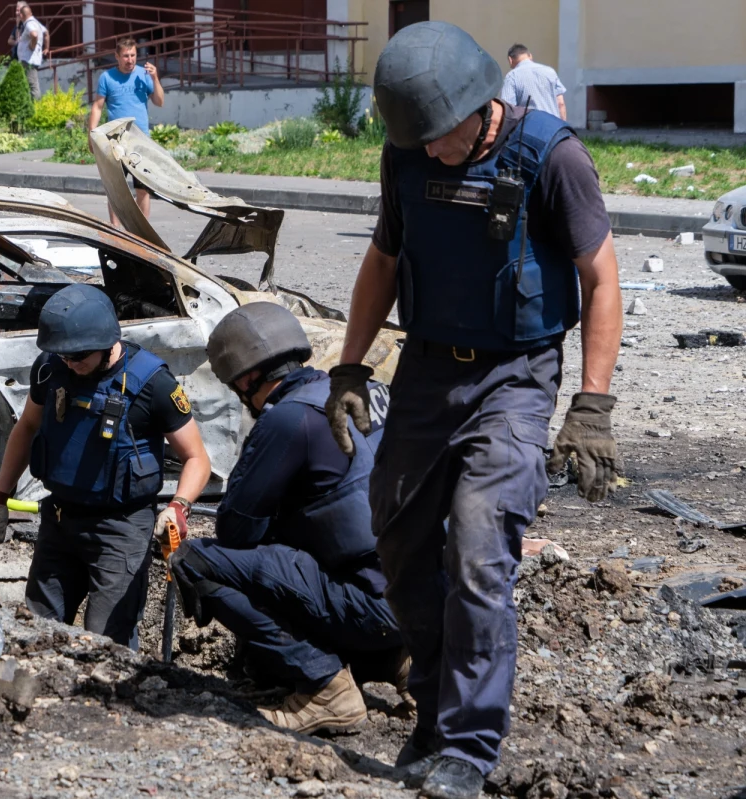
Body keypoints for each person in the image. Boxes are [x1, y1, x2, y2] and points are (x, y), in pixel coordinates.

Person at [325, 21, 622, 799]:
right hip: (426, 371)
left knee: (481, 543)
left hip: (516, 377)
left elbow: (601, 277)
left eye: (438, 136)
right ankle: (433, 705)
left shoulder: (552, 157)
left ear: (480, 104)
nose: (428, 151)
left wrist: (592, 405)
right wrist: (350, 364)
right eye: (414, 138)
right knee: (393, 532)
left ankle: (466, 740)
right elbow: (383, 259)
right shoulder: (409, 153)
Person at [168, 303, 409, 736]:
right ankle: (405, 661)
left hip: (377, 605)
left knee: (197, 561)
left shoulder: (288, 417)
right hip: (433, 595)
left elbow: (236, 530)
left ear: (245, 380)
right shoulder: (372, 393)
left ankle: (325, 688)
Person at [0, 284, 211, 650]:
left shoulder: (153, 384)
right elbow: (27, 428)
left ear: (108, 342)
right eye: (64, 355)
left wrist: (179, 506)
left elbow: (197, 458)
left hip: (121, 528)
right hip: (59, 520)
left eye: (80, 355)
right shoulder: (50, 369)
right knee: (36, 632)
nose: (71, 363)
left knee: (107, 643)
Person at [87, 37, 164, 225]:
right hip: (116, 141)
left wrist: (155, 78)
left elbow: (159, 101)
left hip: (140, 140)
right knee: (117, 190)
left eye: (133, 55)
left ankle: (142, 231)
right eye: (126, 56)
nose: (130, 60)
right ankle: (115, 230)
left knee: (142, 189)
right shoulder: (107, 78)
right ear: (117, 56)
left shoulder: (144, 75)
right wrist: (92, 134)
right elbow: (97, 107)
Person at [502, 43, 567, 120]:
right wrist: (563, 125)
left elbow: (508, 109)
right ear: (530, 56)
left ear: (510, 60)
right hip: (554, 126)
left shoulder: (512, 76)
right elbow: (561, 103)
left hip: (530, 127)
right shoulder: (550, 71)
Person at [16, 3, 46, 100]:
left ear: (21, 15)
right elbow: (46, 33)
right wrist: (47, 48)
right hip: (31, 59)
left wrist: (32, 46)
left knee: (33, 86)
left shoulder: (29, 24)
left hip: (28, 60)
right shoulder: (36, 22)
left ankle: (36, 110)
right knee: (29, 85)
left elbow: (34, 34)